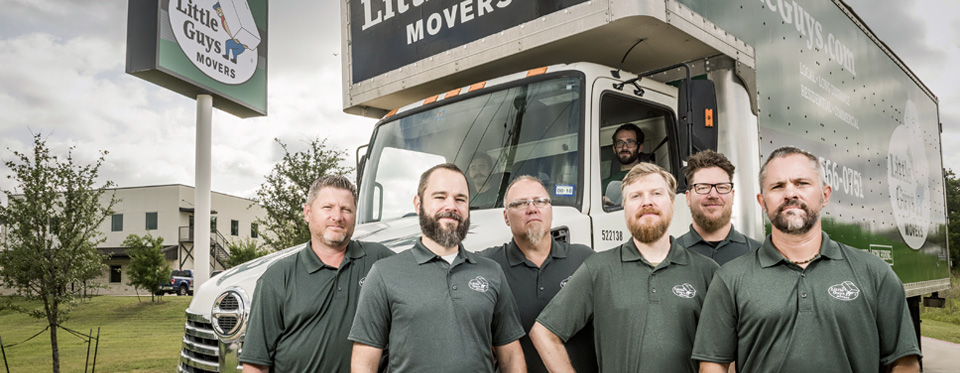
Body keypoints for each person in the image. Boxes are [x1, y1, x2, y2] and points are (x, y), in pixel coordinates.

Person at [692, 146, 921, 372]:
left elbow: (904, 362)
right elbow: (713, 365)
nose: (790, 193)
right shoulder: (730, 279)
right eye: (778, 186)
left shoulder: (873, 272)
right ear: (762, 202)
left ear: (825, 195)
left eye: (802, 183)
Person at [530, 163, 719, 372]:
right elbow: (543, 332)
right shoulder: (598, 269)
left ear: (672, 203)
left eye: (656, 193)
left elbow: (723, 349)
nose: (647, 202)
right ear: (624, 208)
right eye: (635, 196)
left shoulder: (706, 271)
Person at [349, 163, 526, 372]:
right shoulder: (384, 274)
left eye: (460, 199)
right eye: (440, 197)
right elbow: (364, 363)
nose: (451, 206)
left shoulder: (491, 272)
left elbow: (511, 355)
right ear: (418, 204)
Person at [239, 175, 395, 372]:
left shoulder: (380, 260)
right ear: (307, 212)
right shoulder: (278, 277)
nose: (337, 217)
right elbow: (255, 363)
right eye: (327, 207)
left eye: (346, 209)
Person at [478, 176, 597, 373]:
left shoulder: (585, 259)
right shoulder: (489, 266)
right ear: (506, 217)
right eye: (520, 203)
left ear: (551, 210)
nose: (532, 208)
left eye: (540, 201)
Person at [677, 150, 760, 265]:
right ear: (688, 197)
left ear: (733, 195)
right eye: (703, 187)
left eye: (722, 187)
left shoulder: (759, 255)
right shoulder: (668, 256)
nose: (713, 195)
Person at [602, 124, 653, 205]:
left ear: (639, 148)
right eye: (619, 143)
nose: (624, 147)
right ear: (614, 149)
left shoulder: (650, 178)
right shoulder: (602, 184)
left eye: (630, 142)